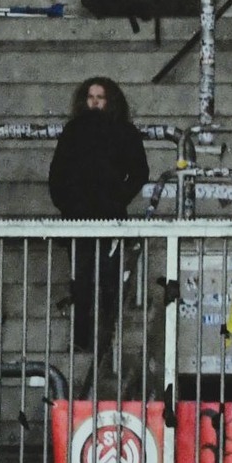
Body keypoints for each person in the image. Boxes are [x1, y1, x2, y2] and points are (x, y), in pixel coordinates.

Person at [47, 78, 149, 356]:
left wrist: (118, 199)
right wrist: (67, 205)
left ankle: (106, 342)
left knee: (109, 282)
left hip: (110, 218)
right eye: (90, 96)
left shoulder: (124, 132)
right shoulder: (74, 130)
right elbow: (56, 176)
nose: (94, 101)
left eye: (100, 97)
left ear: (110, 100)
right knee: (80, 282)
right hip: (78, 219)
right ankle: (81, 340)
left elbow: (140, 172)